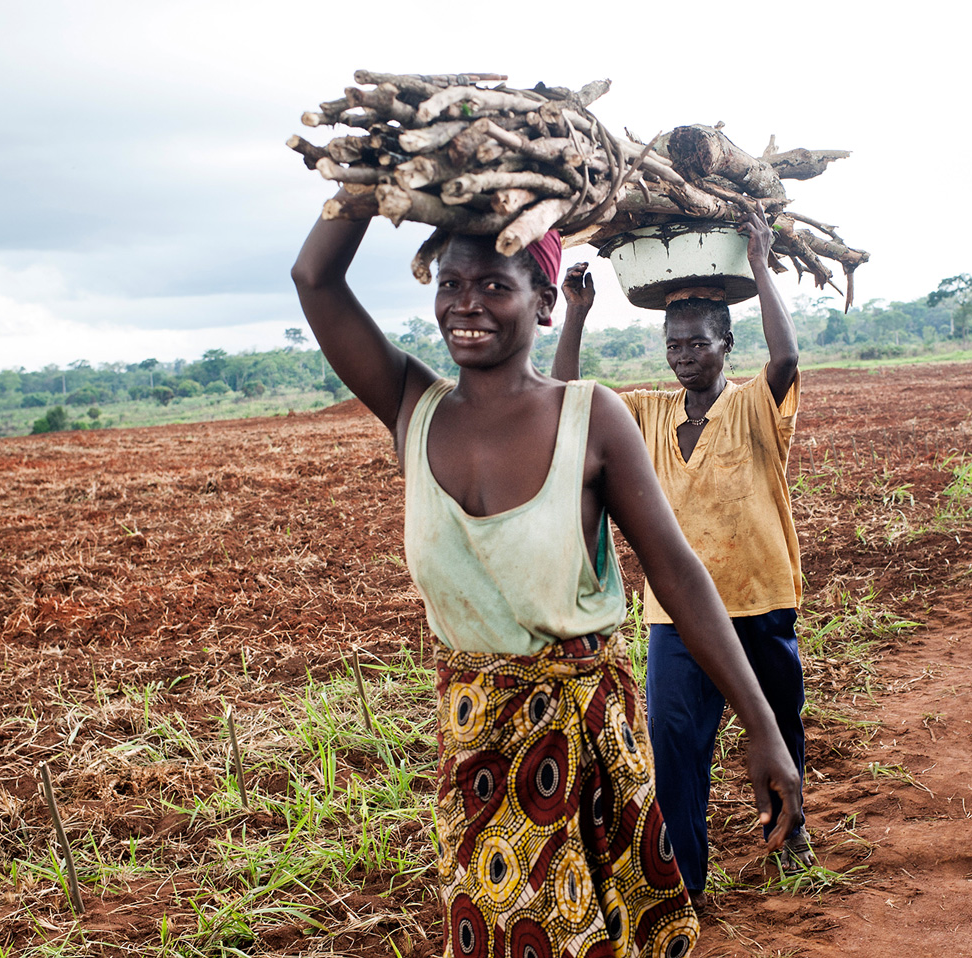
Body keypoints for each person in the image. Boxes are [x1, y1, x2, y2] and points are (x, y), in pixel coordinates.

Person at [292, 187, 802, 957]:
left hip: (589, 738)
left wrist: (764, 729)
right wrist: (370, 180)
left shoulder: (591, 417)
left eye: (495, 285)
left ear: (541, 303)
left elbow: (679, 575)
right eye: (452, 285)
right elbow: (315, 281)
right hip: (477, 749)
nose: (468, 304)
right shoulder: (412, 408)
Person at [552, 205, 812, 906]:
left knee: (779, 728)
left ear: (726, 343)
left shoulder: (757, 404)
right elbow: (565, 403)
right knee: (676, 756)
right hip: (677, 619)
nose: (683, 353)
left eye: (696, 342)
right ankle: (688, 887)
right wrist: (575, 315)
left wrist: (758, 267)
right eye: (674, 344)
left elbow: (785, 359)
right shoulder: (649, 415)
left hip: (761, 599)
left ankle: (790, 836)